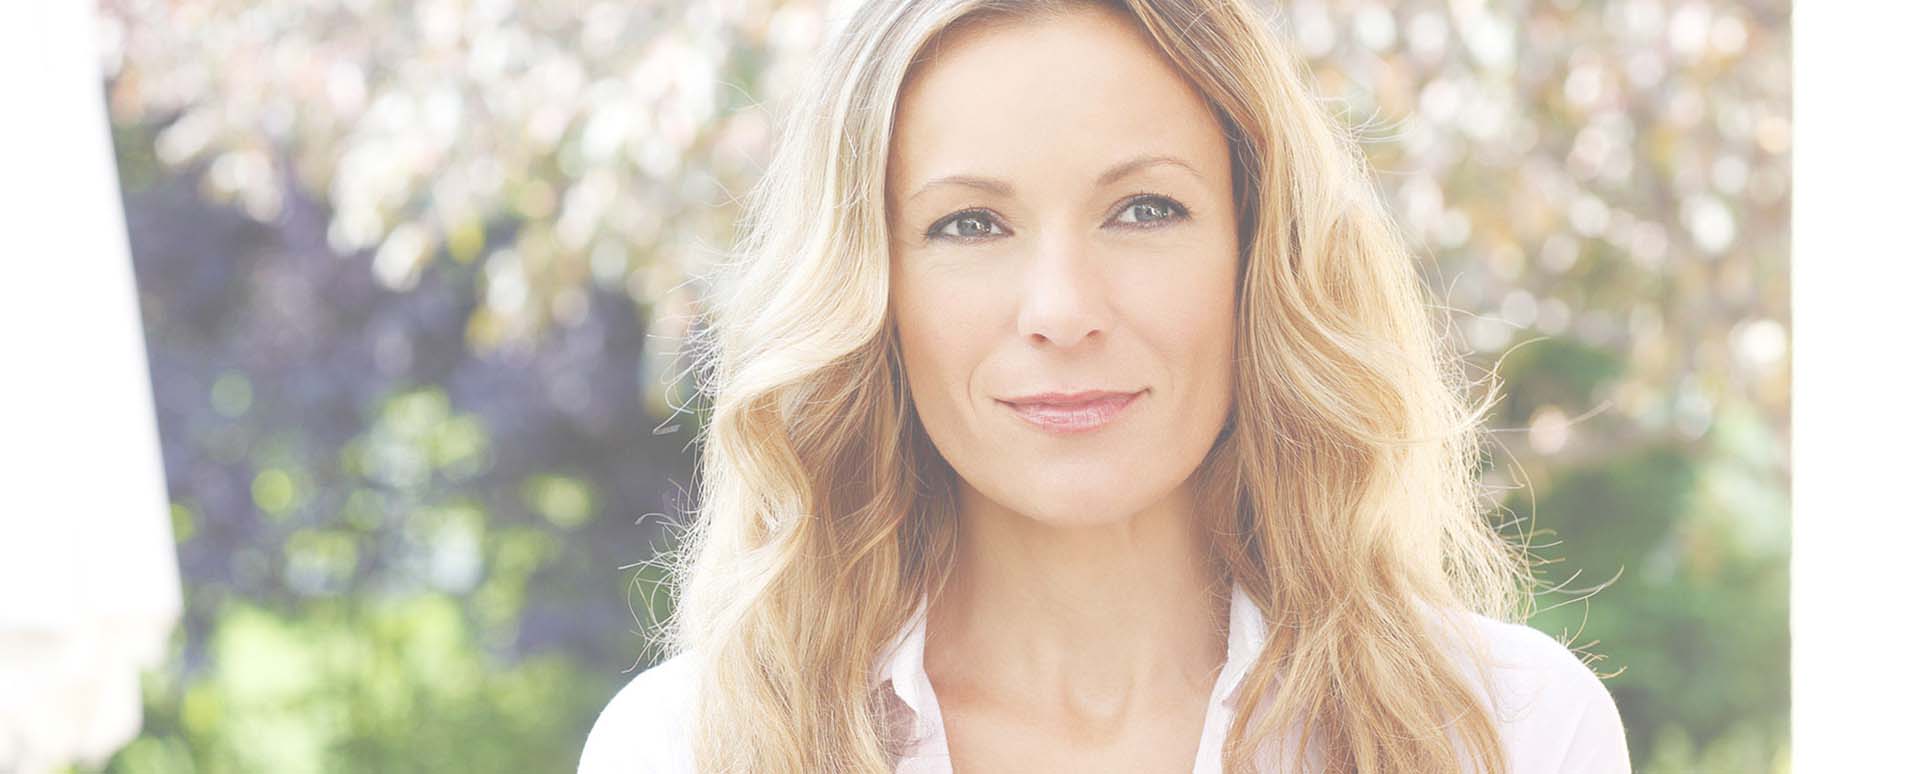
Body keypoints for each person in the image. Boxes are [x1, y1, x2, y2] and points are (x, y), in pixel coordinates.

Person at [579, 0, 1630, 771]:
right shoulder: (687, 748)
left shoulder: (1506, 729)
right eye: (969, 224)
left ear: (1257, 255)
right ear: (871, 292)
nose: (1062, 308)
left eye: (1142, 210)